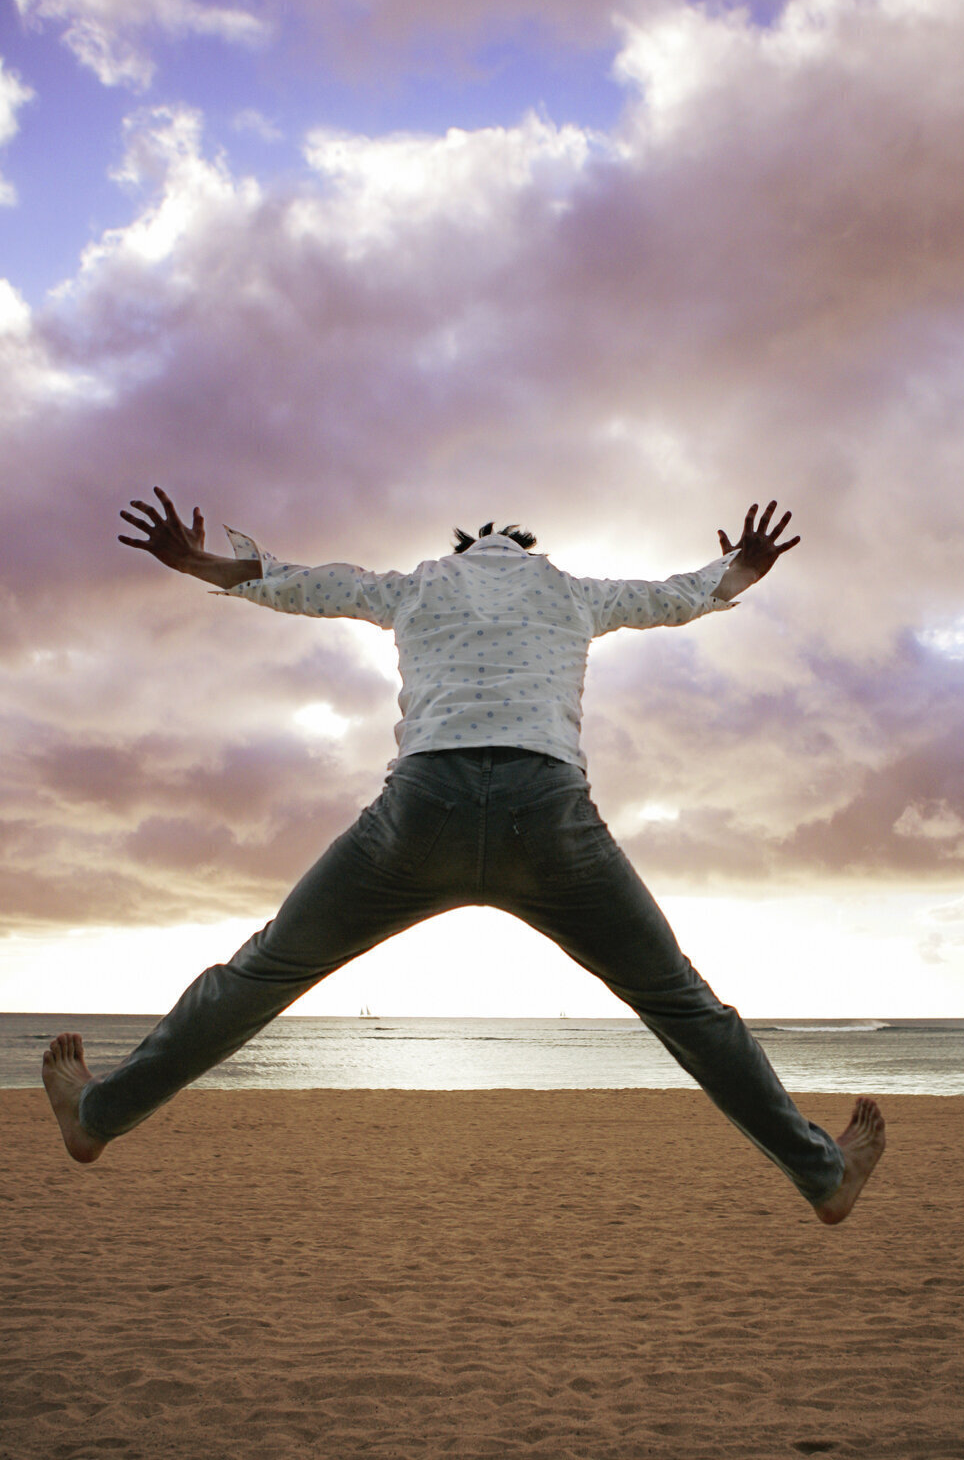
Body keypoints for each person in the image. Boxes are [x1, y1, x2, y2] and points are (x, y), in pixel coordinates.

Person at [42, 488, 884, 1224]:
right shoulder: (569, 591)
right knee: (684, 1006)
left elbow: (311, 584)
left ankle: (99, 1116)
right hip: (549, 815)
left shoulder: (417, 586)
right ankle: (821, 1173)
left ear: (459, 552)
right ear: (530, 551)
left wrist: (202, 563)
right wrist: (738, 570)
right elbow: (673, 596)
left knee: (261, 973)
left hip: (421, 814)